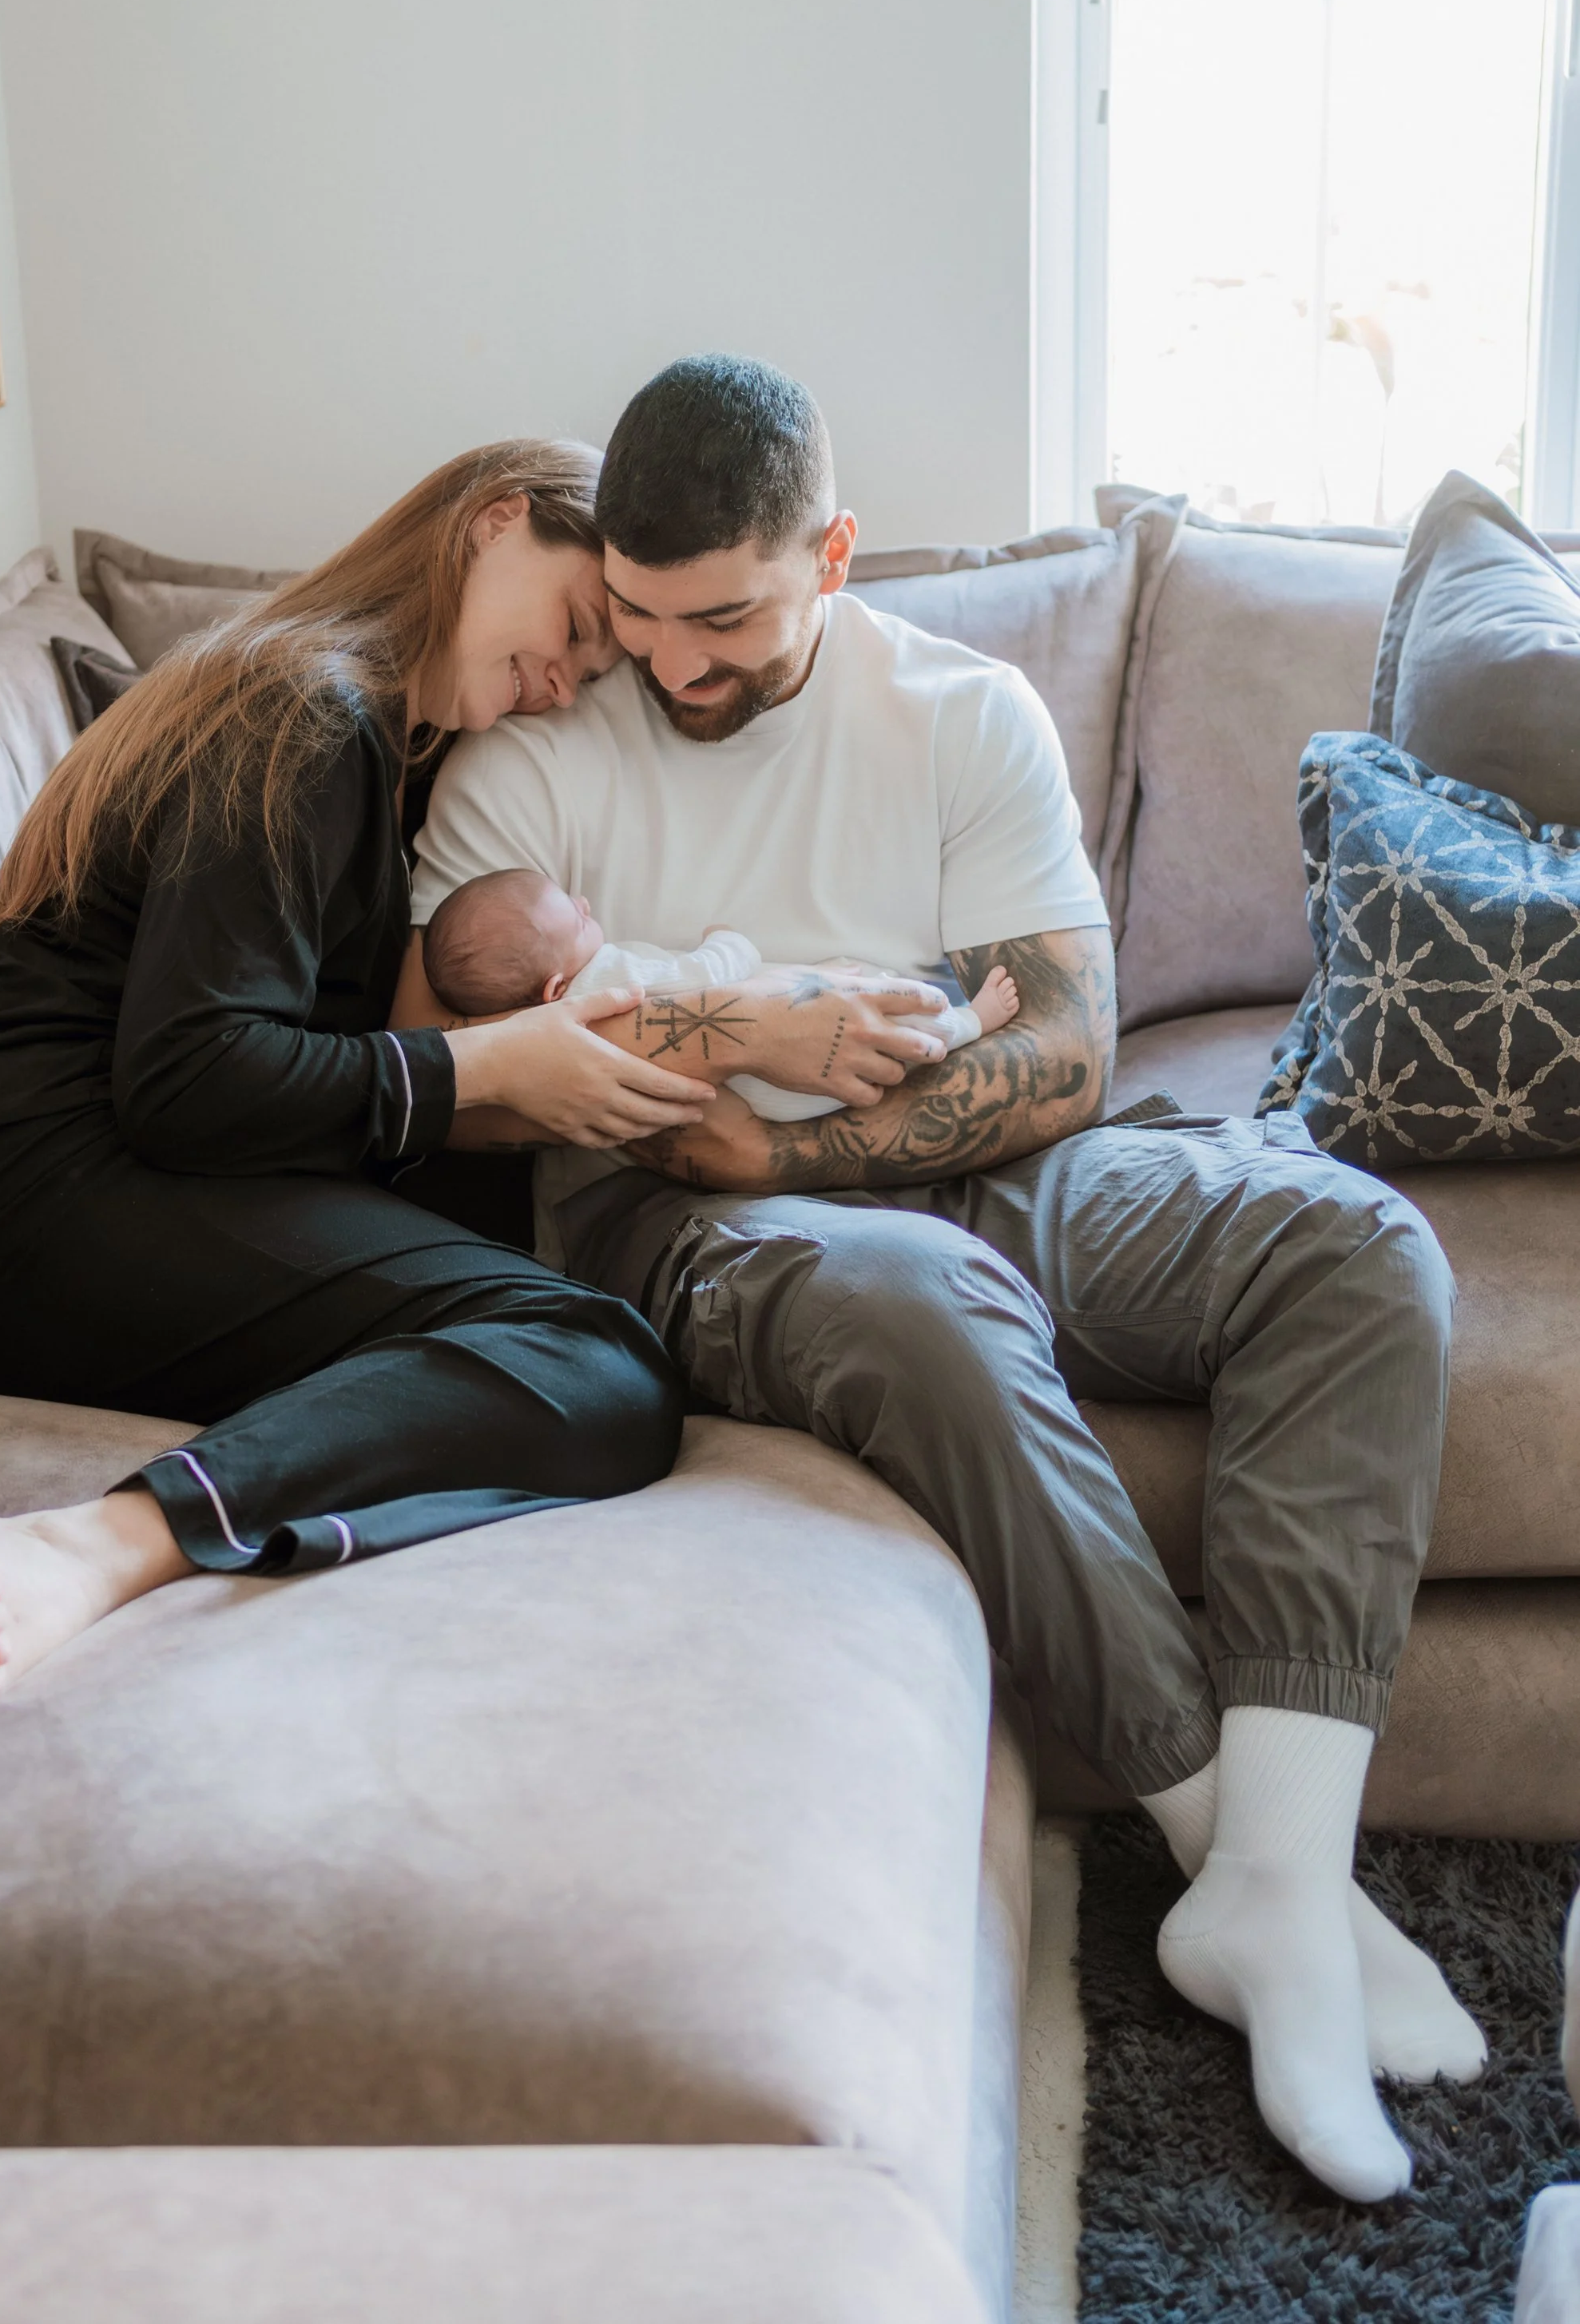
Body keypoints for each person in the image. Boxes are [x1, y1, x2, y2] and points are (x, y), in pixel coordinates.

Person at [402, 356, 1476, 2204]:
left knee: (1359, 1242)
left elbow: (1062, 1050)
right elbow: (454, 1046)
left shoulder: (962, 713)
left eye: (725, 614)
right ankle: (1233, 1843)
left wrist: (792, 1140)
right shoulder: (537, 754)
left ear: (832, 551)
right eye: (641, 620)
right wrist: (740, 1120)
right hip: (686, 1218)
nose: (671, 666)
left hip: (958, 1165)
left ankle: (1278, 1884)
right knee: (924, 1300)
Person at [0, 438, 943, 1732]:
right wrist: (483, 1067)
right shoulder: (298, 709)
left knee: (558, 1296)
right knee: (596, 1356)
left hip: (74, 1182)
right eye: (570, 627)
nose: (563, 682)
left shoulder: (372, 736)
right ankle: (104, 1543)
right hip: (34, 1194)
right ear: (492, 523)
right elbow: (189, 1077)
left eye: (594, 668)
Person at [411, 865, 1017, 1129]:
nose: (587, 904)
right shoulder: (613, 977)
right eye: (575, 913)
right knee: (889, 1029)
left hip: (761, 1088)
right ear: (555, 988)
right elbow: (706, 984)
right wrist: (725, 940)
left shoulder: (561, 1022)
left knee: (844, 982)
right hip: (780, 1082)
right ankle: (968, 1022)